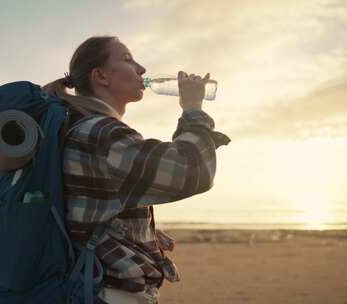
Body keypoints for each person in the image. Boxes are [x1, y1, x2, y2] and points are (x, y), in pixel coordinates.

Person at [43, 36, 228, 304]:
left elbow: (86, 207)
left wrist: (138, 230)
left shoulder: (78, 128)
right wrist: (192, 108)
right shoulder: (102, 134)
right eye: (128, 60)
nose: (141, 69)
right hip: (109, 293)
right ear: (101, 77)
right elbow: (193, 171)